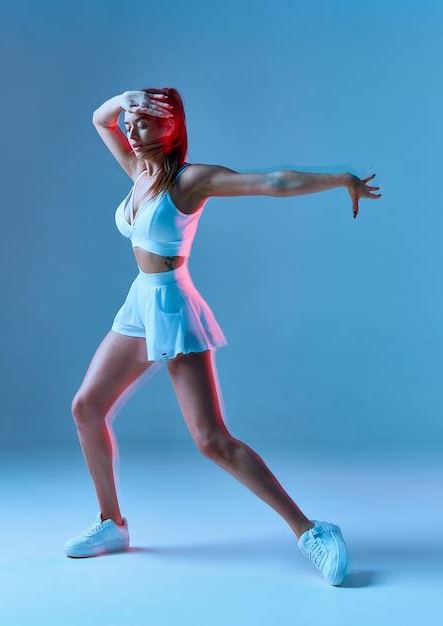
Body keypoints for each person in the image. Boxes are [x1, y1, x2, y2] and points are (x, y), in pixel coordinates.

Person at [64, 87, 381, 585]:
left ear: (171, 128)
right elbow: (98, 117)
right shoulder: (137, 170)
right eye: (132, 120)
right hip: (139, 302)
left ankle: (312, 531)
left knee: (211, 440)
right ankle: (112, 524)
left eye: (145, 122)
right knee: (86, 408)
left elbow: (273, 182)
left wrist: (341, 179)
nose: (131, 128)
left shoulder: (189, 179)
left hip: (170, 303)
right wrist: (126, 98)